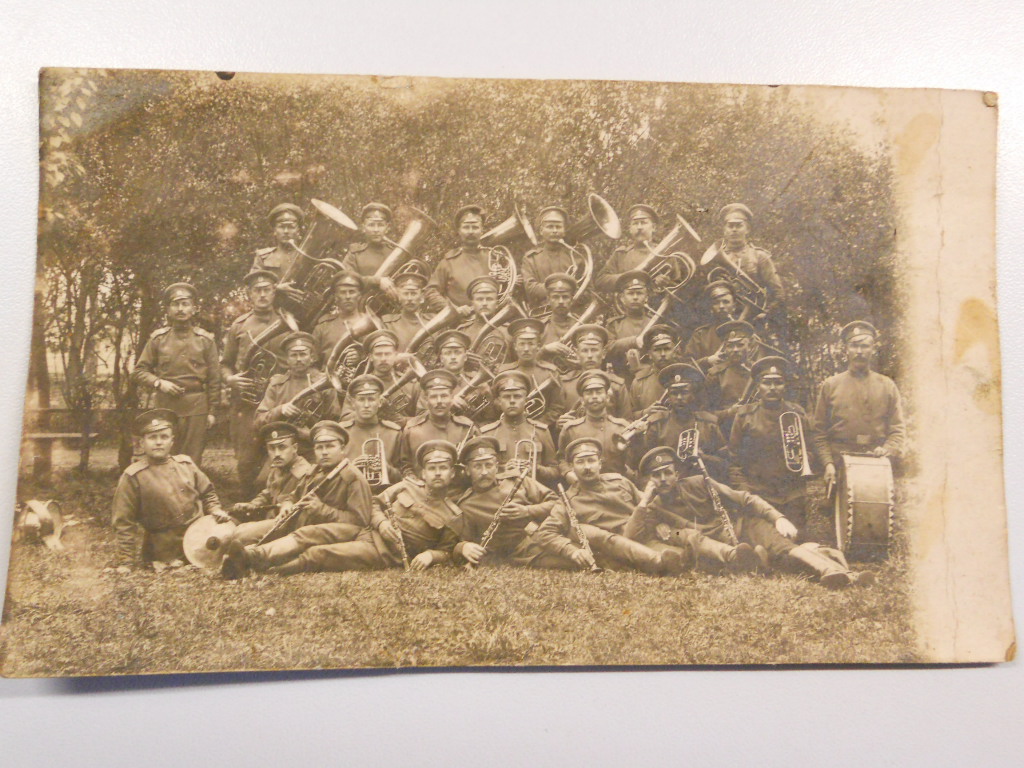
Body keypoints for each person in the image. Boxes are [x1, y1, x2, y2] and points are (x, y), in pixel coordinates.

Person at [632, 447, 873, 588]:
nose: (663, 480)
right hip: (724, 549)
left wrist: (778, 517)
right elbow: (638, 535)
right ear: (649, 480)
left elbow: (745, 499)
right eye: (656, 476)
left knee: (782, 546)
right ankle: (826, 557)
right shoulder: (654, 507)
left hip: (742, 527)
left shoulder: (697, 482)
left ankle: (835, 572)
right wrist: (645, 503)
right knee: (781, 564)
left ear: (676, 473)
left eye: (667, 473)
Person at [223, 439, 461, 576]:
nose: (437, 473)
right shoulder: (405, 486)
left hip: (385, 552)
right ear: (423, 472)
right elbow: (375, 503)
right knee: (310, 533)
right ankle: (253, 555)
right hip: (367, 530)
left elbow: (449, 551)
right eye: (432, 468)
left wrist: (431, 555)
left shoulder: (453, 514)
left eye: (443, 468)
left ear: (452, 473)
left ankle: (270, 570)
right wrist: (381, 523)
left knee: (320, 554)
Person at [220, 419, 375, 578]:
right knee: (245, 533)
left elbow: (359, 522)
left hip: (336, 531)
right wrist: (287, 505)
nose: (324, 452)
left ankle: (252, 558)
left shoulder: (352, 478)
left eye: (330, 446)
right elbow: (294, 495)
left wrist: (322, 509)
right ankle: (237, 558)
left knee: (305, 534)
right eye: (319, 447)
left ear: (343, 449)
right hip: (303, 523)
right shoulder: (315, 471)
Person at [532, 438, 689, 575]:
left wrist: (659, 522)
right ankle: (658, 562)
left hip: (642, 537)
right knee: (587, 530)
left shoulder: (619, 481)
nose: (587, 467)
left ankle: (665, 560)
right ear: (572, 467)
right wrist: (572, 551)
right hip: (615, 549)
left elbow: (648, 505)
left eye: (591, 461)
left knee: (683, 556)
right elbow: (545, 533)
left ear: (600, 464)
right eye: (580, 462)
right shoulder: (568, 500)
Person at [112, 409, 229, 571]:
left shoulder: (186, 465)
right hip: (163, 548)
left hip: (200, 538)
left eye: (164, 437)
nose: (159, 442)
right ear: (142, 443)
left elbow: (207, 492)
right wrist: (126, 562)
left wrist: (215, 509)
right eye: (152, 437)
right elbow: (124, 521)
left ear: (172, 441)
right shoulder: (133, 476)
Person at [451, 437, 576, 570]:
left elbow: (558, 502)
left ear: (496, 466)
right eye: (477, 466)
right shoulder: (467, 505)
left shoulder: (516, 481)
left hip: (548, 535)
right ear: (467, 470)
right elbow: (464, 541)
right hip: (524, 553)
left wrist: (527, 511)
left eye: (489, 465)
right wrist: (464, 547)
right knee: (573, 562)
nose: (484, 472)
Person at [729, 356, 820, 535]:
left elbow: (812, 450)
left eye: (778, 382)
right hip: (757, 493)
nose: (772, 388)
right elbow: (733, 461)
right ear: (758, 386)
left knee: (796, 539)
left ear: (785, 386)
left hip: (792, 494)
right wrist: (745, 492)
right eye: (766, 383)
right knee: (763, 541)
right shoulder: (744, 416)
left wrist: (805, 458)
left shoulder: (797, 414)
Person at [132, 283, 221, 465]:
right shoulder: (158, 339)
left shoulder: (205, 340)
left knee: (192, 460)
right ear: (168, 310)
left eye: (185, 304)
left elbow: (215, 379)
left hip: (196, 408)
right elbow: (139, 371)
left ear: (194, 309)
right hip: (166, 407)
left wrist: (212, 412)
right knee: (163, 458)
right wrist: (159, 383)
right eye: (175, 304)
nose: (180, 309)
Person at [812, 321, 906, 492]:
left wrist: (886, 450)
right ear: (846, 349)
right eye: (854, 346)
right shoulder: (831, 385)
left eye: (865, 346)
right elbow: (819, 432)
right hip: (839, 465)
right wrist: (828, 464)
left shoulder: (887, 385)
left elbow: (897, 430)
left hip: (876, 464)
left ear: (873, 349)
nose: (859, 351)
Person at [221, 269, 287, 497]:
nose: (262, 295)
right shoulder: (239, 325)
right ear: (249, 294)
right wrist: (230, 379)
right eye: (257, 290)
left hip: (278, 399)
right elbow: (225, 364)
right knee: (247, 459)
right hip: (247, 403)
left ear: (274, 292)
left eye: (267, 290)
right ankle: (248, 503)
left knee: (280, 453)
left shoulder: (288, 321)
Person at [228, 421, 315, 546]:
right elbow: (268, 493)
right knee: (229, 523)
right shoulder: (278, 468)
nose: (277, 454)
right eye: (272, 448)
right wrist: (253, 504)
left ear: (295, 448)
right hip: (273, 521)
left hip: (288, 527)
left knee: (239, 535)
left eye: (282, 447)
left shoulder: (303, 473)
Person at [640, 362, 727, 480]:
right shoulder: (658, 425)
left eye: (684, 392)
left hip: (702, 485)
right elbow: (646, 467)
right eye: (674, 393)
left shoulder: (709, 424)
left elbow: (724, 463)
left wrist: (704, 458)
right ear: (668, 397)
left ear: (693, 394)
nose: (679, 398)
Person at [479, 371, 560, 486]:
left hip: (534, 493)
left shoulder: (541, 431)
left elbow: (555, 471)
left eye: (517, 396)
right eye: (506, 397)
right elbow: (480, 472)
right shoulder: (488, 433)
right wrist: (503, 469)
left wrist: (536, 468)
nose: (512, 401)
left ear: (526, 400)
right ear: (499, 401)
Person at [708, 203, 785, 318]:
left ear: (747, 229)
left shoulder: (760, 256)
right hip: (721, 320)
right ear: (724, 229)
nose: (734, 230)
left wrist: (765, 313)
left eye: (739, 226)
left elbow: (778, 294)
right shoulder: (714, 257)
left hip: (754, 320)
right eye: (730, 226)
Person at [396, 370, 475, 478]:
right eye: (433, 397)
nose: (439, 401)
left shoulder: (466, 427)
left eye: (444, 396)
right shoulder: (412, 429)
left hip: (460, 487)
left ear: (452, 398)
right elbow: (405, 465)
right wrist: (415, 481)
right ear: (426, 400)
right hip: (422, 486)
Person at [557, 370, 634, 480]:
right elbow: (561, 459)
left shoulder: (622, 427)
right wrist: (568, 473)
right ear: (582, 400)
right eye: (589, 393)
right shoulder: (571, 429)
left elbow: (632, 459)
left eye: (599, 392)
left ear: (607, 397)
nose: (594, 396)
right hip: (583, 486)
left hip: (617, 486)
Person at [254, 331, 340, 430]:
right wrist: (280, 410)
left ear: (312, 358)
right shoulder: (277, 384)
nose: (298, 359)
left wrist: (309, 434)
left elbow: (334, 421)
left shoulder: (324, 383)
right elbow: (258, 421)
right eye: (294, 355)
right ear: (287, 359)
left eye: (303, 354)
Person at [595, 204, 684, 293]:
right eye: (635, 223)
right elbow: (600, 281)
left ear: (653, 227)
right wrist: (625, 278)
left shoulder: (665, 255)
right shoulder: (621, 254)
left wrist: (666, 283)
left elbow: (679, 290)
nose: (639, 227)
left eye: (643, 223)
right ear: (630, 229)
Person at [338, 374, 402, 491]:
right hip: (349, 493)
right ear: (352, 403)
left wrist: (387, 469)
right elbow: (331, 473)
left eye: (371, 399)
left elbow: (403, 475)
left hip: (385, 494)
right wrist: (351, 469)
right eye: (361, 399)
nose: (366, 405)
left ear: (380, 402)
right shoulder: (341, 432)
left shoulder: (394, 433)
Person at [497, 317, 565, 427]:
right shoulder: (503, 372)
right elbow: (496, 404)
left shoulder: (551, 372)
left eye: (531, 344)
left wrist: (536, 426)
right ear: (515, 346)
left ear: (538, 346)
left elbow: (557, 408)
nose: (526, 349)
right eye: (522, 344)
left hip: (541, 429)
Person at [425, 205, 496, 309]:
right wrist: (453, 310)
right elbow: (431, 291)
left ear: (482, 230)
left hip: (493, 317)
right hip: (460, 319)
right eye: (466, 227)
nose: (470, 231)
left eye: (475, 227)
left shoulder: (493, 258)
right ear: (459, 231)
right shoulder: (449, 262)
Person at [556, 324, 633, 420]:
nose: (589, 355)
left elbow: (627, 421)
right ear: (577, 353)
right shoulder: (565, 384)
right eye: (585, 350)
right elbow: (553, 418)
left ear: (603, 353)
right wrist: (559, 423)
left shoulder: (616, 385)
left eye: (594, 350)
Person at [310, 271, 381, 363]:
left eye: (352, 292)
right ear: (335, 297)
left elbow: (382, 357)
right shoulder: (323, 327)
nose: (348, 296)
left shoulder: (373, 325)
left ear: (359, 296)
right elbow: (311, 362)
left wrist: (361, 357)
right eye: (343, 292)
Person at [353, 329, 419, 426]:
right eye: (378, 354)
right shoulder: (358, 384)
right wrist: (370, 415)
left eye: (387, 354)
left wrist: (404, 421)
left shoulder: (412, 385)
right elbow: (345, 417)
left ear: (395, 355)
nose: (383, 359)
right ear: (370, 357)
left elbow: (425, 417)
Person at [605, 271, 663, 378]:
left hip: (652, 377)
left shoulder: (655, 322)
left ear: (646, 297)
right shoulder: (614, 324)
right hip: (622, 378)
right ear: (622, 298)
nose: (635, 297)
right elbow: (607, 349)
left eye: (639, 293)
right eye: (630, 293)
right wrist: (634, 341)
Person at [521, 206, 576, 308]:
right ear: (541, 231)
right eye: (550, 227)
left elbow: (588, 291)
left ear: (564, 231)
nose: (554, 230)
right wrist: (563, 290)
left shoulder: (575, 256)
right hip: (542, 312)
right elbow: (531, 289)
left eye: (558, 227)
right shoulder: (531, 258)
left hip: (573, 311)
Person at [341, 202, 399, 297]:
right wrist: (377, 281)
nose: (376, 230)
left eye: (380, 225)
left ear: (387, 227)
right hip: (360, 305)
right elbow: (346, 279)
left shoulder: (396, 253)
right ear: (364, 227)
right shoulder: (355, 253)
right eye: (371, 225)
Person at [456, 276, 513, 367]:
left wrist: (498, 368)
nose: (484, 303)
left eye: (489, 299)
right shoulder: (462, 331)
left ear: (496, 304)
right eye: (479, 299)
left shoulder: (508, 332)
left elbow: (518, 364)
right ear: (472, 304)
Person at [380, 259, 435, 351]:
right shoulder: (388, 324)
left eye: (413, 293)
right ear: (399, 296)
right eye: (405, 294)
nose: (409, 298)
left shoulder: (434, 321)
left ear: (422, 297)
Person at [627, 324, 680, 417]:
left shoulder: (686, 376)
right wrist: (645, 412)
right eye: (657, 350)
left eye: (667, 349)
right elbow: (629, 416)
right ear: (649, 354)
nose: (662, 354)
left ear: (675, 351)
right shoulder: (639, 382)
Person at [685, 280, 739, 368]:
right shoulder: (700, 334)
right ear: (711, 308)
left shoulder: (746, 331)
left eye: (726, 302)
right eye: (716, 303)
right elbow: (687, 365)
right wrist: (708, 361)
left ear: (734, 306)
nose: (721, 306)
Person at [252, 203, 304, 279]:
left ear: (298, 231)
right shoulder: (263, 257)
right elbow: (255, 284)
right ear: (275, 231)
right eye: (281, 227)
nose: (286, 231)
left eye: (291, 227)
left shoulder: (308, 257)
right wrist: (277, 286)